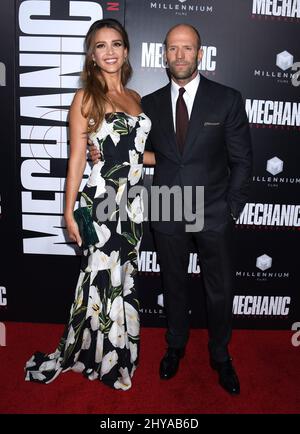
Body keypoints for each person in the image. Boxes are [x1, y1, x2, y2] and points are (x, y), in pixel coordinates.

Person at [90, 23, 252, 395]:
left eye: (187, 48)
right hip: (168, 205)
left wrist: (230, 209)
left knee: (219, 289)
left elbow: (243, 161)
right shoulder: (149, 104)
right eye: (173, 49)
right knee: (173, 284)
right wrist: (101, 152)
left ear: (200, 53)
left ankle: (220, 354)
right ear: (164, 54)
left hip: (212, 208)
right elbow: (132, 150)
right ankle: (175, 345)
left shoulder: (226, 99)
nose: (179, 55)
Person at [24, 18, 153, 391]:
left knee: (122, 276)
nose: (109, 51)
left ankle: (117, 350)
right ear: (92, 55)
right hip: (100, 201)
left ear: (126, 51)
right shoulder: (86, 97)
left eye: (116, 44)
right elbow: (77, 159)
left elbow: (137, 154)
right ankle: (102, 358)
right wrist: (68, 212)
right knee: (101, 277)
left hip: (132, 202)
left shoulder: (136, 99)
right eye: (101, 45)